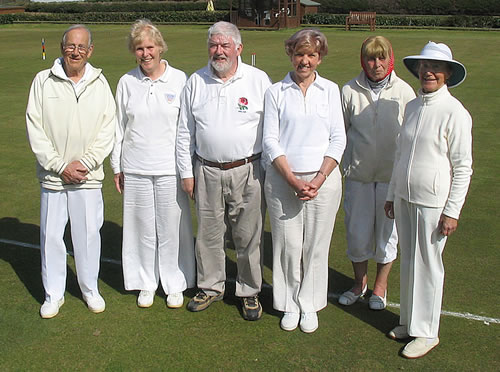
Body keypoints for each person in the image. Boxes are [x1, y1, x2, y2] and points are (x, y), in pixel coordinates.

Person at [176, 21, 272, 321]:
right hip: (206, 170)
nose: (218, 51)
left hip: (248, 169)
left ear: (238, 48)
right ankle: (210, 286)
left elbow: (272, 131)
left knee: (247, 235)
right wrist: (186, 173)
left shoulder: (258, 80)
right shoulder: (195, 81)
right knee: (208, 235)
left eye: (225, 45)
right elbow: (184, 133)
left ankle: (249, 291)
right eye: (214, 45)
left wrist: (268, 173)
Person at [384, 41, 472, 358]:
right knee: (409, 261)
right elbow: (401, 156)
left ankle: (427, 332)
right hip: (406, 198)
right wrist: (393, 194)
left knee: (429, 265)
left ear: (447, 73)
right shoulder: (413, 107)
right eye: (424, 67)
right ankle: (409, 323)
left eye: (435, 68)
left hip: (434, 203)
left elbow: (463, 167)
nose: (428, 72)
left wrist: (452, 211)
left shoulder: (455, 113)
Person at [26, 25, 116, 318]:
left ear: (90, 51)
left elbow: (108, 129)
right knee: (52, 237)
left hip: (87, 179)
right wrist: (60, 166)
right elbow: (35, 129)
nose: (75, 52)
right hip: (54, 178)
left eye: (81, 47)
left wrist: (87, 163)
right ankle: (54, 293)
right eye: (70, 46)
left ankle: (90, 289)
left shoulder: (100, 83)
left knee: (88, 235)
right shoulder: (43, 81)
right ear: (61, 47)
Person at [263, 29, 346, 333]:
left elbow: (338, 138)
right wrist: (293, 180)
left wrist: (320, 177)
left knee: (315, 245)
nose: (305, 60)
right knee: (287, 244)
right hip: (283, 181)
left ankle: (309, 304)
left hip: (323, 182)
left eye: (311, 54)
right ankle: (288, 304)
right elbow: (271, 141)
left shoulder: (331, 90)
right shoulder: (275, 92)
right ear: (291, 55)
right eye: (300, 54)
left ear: (319, 57)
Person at [110, 20, 195, 309]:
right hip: (135, 168)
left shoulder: (180, 79)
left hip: (170, 169)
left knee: (172, 229)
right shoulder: (126, 82)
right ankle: (146, 282)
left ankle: (174, 282)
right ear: (133, 52)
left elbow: (187, 130)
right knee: (141, 228)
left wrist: (187, 170)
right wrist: (116, 166)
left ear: (160, 47)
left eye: (150, 47)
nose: (145, 53)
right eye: (139, 48)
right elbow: (118, 129)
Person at [339, 36, 415, 310]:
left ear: (390, 59)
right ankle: (359, 283)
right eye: (371, 58)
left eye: (382, 58)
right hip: (358, 176)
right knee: (357, 234)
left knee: (387, 235)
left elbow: (410, 138)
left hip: (390, 178)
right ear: (364, 61)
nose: (376, 64)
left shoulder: (404, 92)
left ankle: (380, 288)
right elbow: (340, 133)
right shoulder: (349, 90)